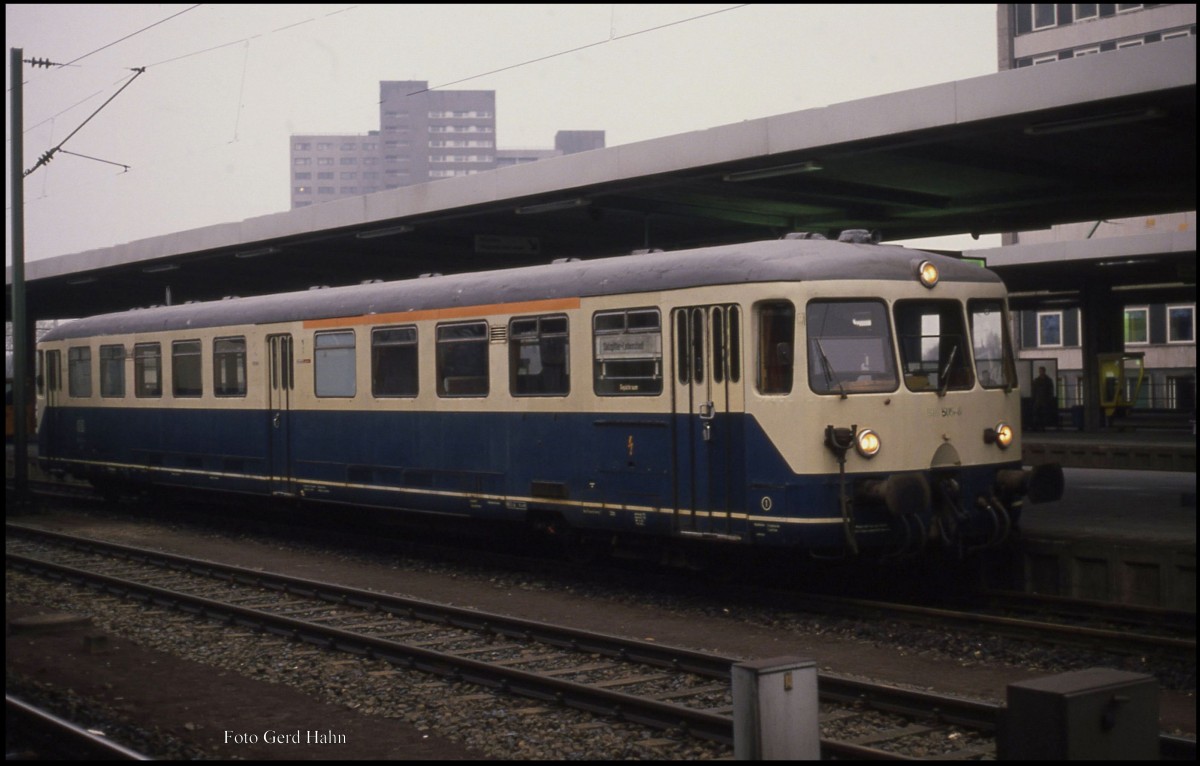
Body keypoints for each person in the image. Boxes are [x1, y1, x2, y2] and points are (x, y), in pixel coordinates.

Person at [1032, 366, 1056, 432]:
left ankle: (1041, 427)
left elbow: (1050, 391)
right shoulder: (1040, 381)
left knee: (1042, 414)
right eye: (1040, 371)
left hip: (1043, 400)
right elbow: (1034, 391)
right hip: (1039, 400)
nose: (1041, 372)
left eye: (1041, 371)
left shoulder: (1044, 381)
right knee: (1037, 414)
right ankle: (1037, 427)